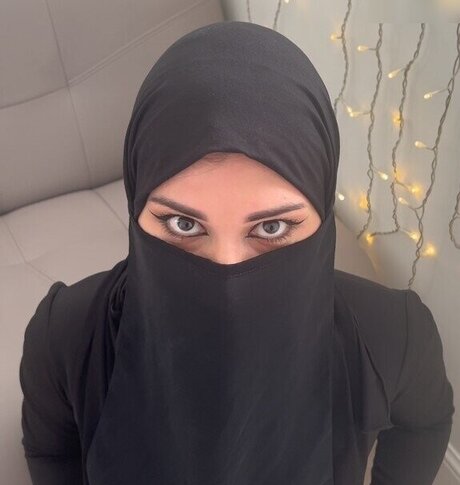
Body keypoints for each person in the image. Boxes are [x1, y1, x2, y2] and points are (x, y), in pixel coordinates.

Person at [19, 20, 454, 485]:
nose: (227, 272)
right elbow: (51, 450)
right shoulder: (65, 335)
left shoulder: (393, 336)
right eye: (183, 224)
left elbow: (425, 423)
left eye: (271, 227)